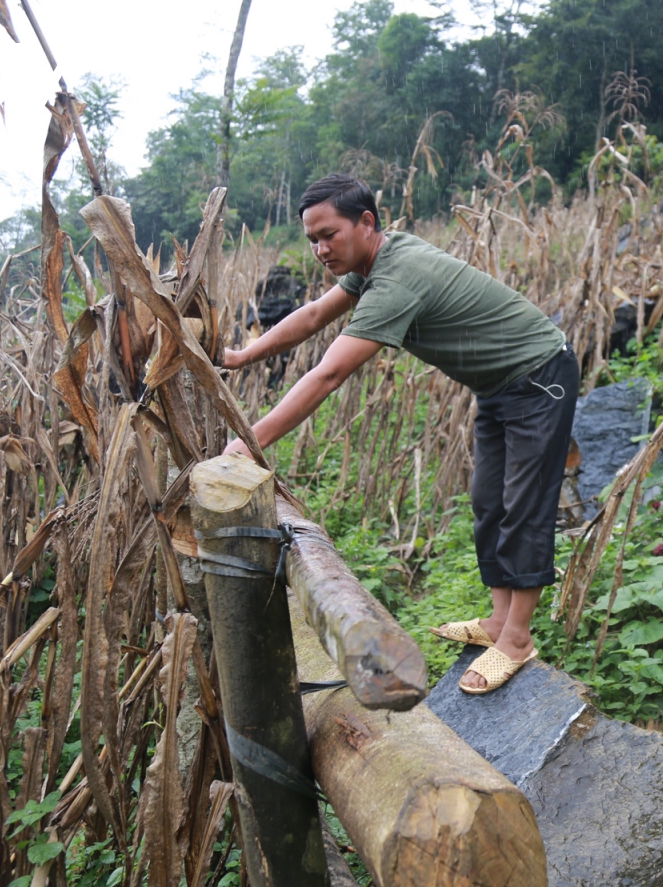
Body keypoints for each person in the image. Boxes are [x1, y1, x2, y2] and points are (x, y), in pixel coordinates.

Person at [222, 174, 577, 695]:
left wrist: (246, 443)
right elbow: (317, 314)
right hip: (500, 386)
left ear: (367, 222)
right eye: (312, 239)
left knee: (522, 504)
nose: (321, 249)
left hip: (539, 377)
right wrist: (241, 356)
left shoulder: (396, 278)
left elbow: (328, 374)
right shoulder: (374, 262)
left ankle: (518, 640)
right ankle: (500, 623)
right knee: (488, 499)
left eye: (329, 235)